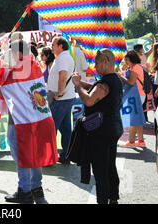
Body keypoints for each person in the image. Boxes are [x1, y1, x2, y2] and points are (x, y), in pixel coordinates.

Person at [0, 40, 56, 204]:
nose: (11, 56)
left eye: (12, 53)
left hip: (22, 121)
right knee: (34, 154)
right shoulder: (34, 65)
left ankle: (25, 191)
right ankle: (36, 188)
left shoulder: (20, 69)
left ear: (19, 54)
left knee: (22, 155)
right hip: (38, 118)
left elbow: (5, 90)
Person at [71, 48, 123, 204]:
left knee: (101, 171)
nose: (95, 66)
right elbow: (95, 90)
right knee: (109, 167)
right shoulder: (114, 78)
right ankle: (113, 199)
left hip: (101, 132)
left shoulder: (106, 82)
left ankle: (104, 201)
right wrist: (80, 82)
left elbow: (89, 100)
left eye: (97, 62)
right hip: (112, 128)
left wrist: (77, 86)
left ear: (105, 61)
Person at [48, 36, 76, 164]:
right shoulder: (63, 57)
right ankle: (66, 155)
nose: (51, 46)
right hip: (65, 98)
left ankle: (49, 157)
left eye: (53, 44)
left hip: (61, 99)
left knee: (51, 128)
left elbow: (63, 76)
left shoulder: (63, 58)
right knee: (65, 129)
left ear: (60, 46)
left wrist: (59, 93)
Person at [118, 50, 146, 147]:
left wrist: (120, 76)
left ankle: (131, 141)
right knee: (136, 119)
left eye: (127, 61)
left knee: (132, 119)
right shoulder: (134, 67)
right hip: (137, 95)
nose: (126, 63)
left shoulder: (136, 67)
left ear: (132, 60)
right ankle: (141, 141)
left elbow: (130, 82)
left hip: (137, 95)